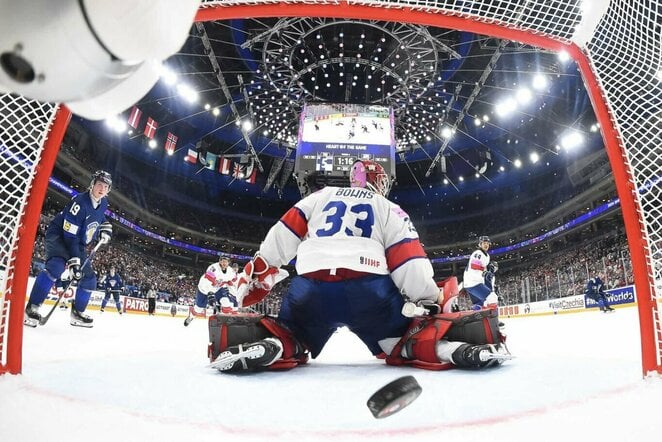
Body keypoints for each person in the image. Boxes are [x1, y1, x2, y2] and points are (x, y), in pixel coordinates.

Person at [210, 160, 510, 373]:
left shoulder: (318, 196)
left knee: (293, 334)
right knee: (402, 342)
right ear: (380, 182)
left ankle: (277, 345)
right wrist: (429, 301)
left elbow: (280, 237)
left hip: (311, 288)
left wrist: (260, 275)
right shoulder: (389, 207)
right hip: (369, 291)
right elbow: (410, 262)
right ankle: (450, 350)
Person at [24, 170, 113, 328]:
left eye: (105, 186)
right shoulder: (79, 202)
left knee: (89, 279)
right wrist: (74, 262)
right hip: (59, 235)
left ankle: (77, 314)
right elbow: (69, 235)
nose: (102, 188)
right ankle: (32, 307)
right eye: (99, 184)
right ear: (92, 184)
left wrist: (105, 227)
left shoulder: (103, 203)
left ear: (108, 190)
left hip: (76, 241)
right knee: (57, 266)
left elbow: (99, 218)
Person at [184, 256, 237, 326]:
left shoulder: (230, 271)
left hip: (217, 288)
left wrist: (230, 285)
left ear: (228, 263)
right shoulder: (213, 268)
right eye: (223, 261)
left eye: (226, 261)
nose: (224, 263)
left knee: (226, 302)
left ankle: (225, 322)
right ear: (220, 261)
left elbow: (233, 279)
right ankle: (191, 317)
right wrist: (210, 293)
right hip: (204, 289)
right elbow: (207, 280)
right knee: (198, 309)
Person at [462, 236, 499, 310]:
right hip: (473, 282)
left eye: (487, 243)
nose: (486, 245)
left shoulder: (487, 256)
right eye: (484, 243)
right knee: (492, 298)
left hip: (472, 283)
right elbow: (474, 266)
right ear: (480, 244)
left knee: (480, 305)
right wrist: (485, 273)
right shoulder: (478, 253)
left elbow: (483, 271)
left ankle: (477, 320)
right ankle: (492, 319)